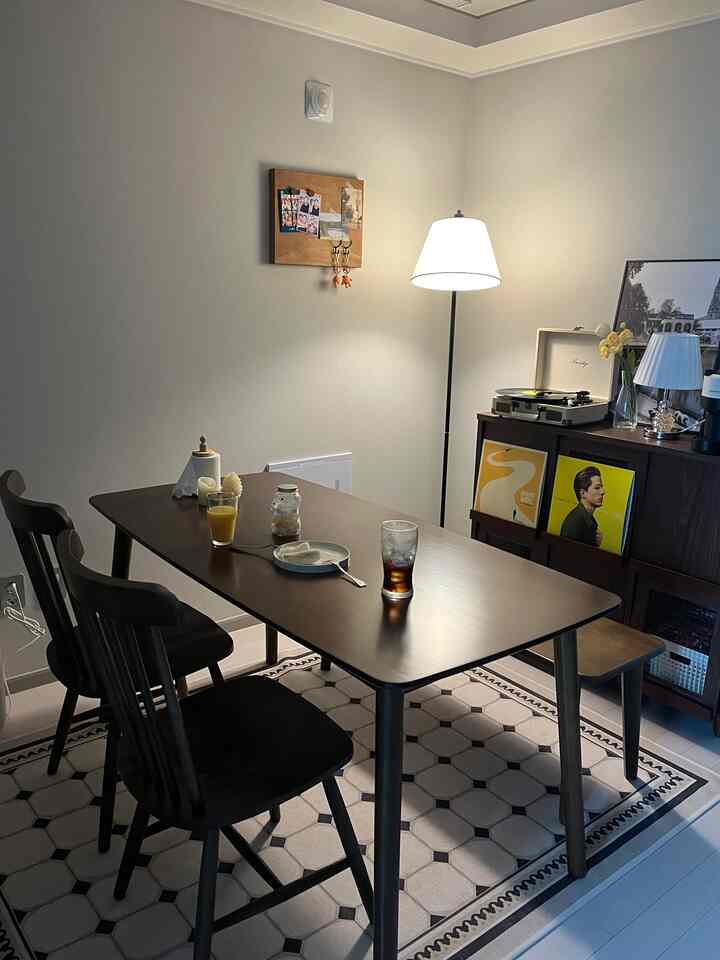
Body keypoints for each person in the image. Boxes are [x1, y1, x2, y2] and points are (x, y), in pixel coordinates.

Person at [560, 466, 605, 547]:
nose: (602, 492)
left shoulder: (586, 519)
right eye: (597, 488)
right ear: (583, 493)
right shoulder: (575, 523)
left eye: (601, 487)